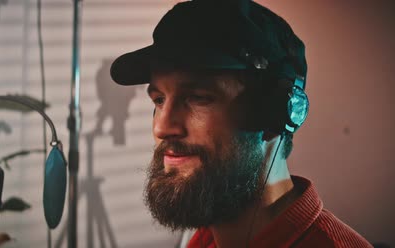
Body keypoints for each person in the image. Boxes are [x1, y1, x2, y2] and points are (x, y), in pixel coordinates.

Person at [109, 0, 372, 247]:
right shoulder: (206, 239)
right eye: (159, 99)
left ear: (274, 113)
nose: (162, 128)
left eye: (198, 97)